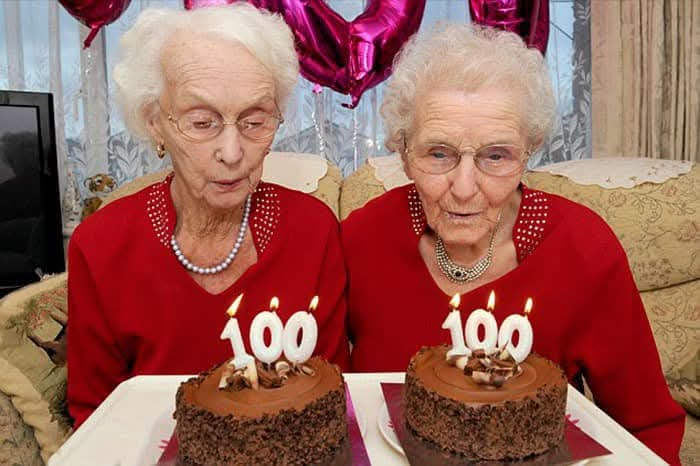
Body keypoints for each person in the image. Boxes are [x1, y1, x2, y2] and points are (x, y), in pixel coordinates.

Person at [341, 23, 684, 464]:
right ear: (404, 152)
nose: (464, 188)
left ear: (530, 151)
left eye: (496, 156)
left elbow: (649, 428)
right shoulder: (362, 238)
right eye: (439, 153)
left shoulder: (583, 248)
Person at [67, 4, 349, 429]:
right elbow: (94, 416)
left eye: (255, 122)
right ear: (155, 124)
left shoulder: (313, 230)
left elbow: (330, 397)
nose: (233, 153)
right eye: (202, 123)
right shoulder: (101, 245)